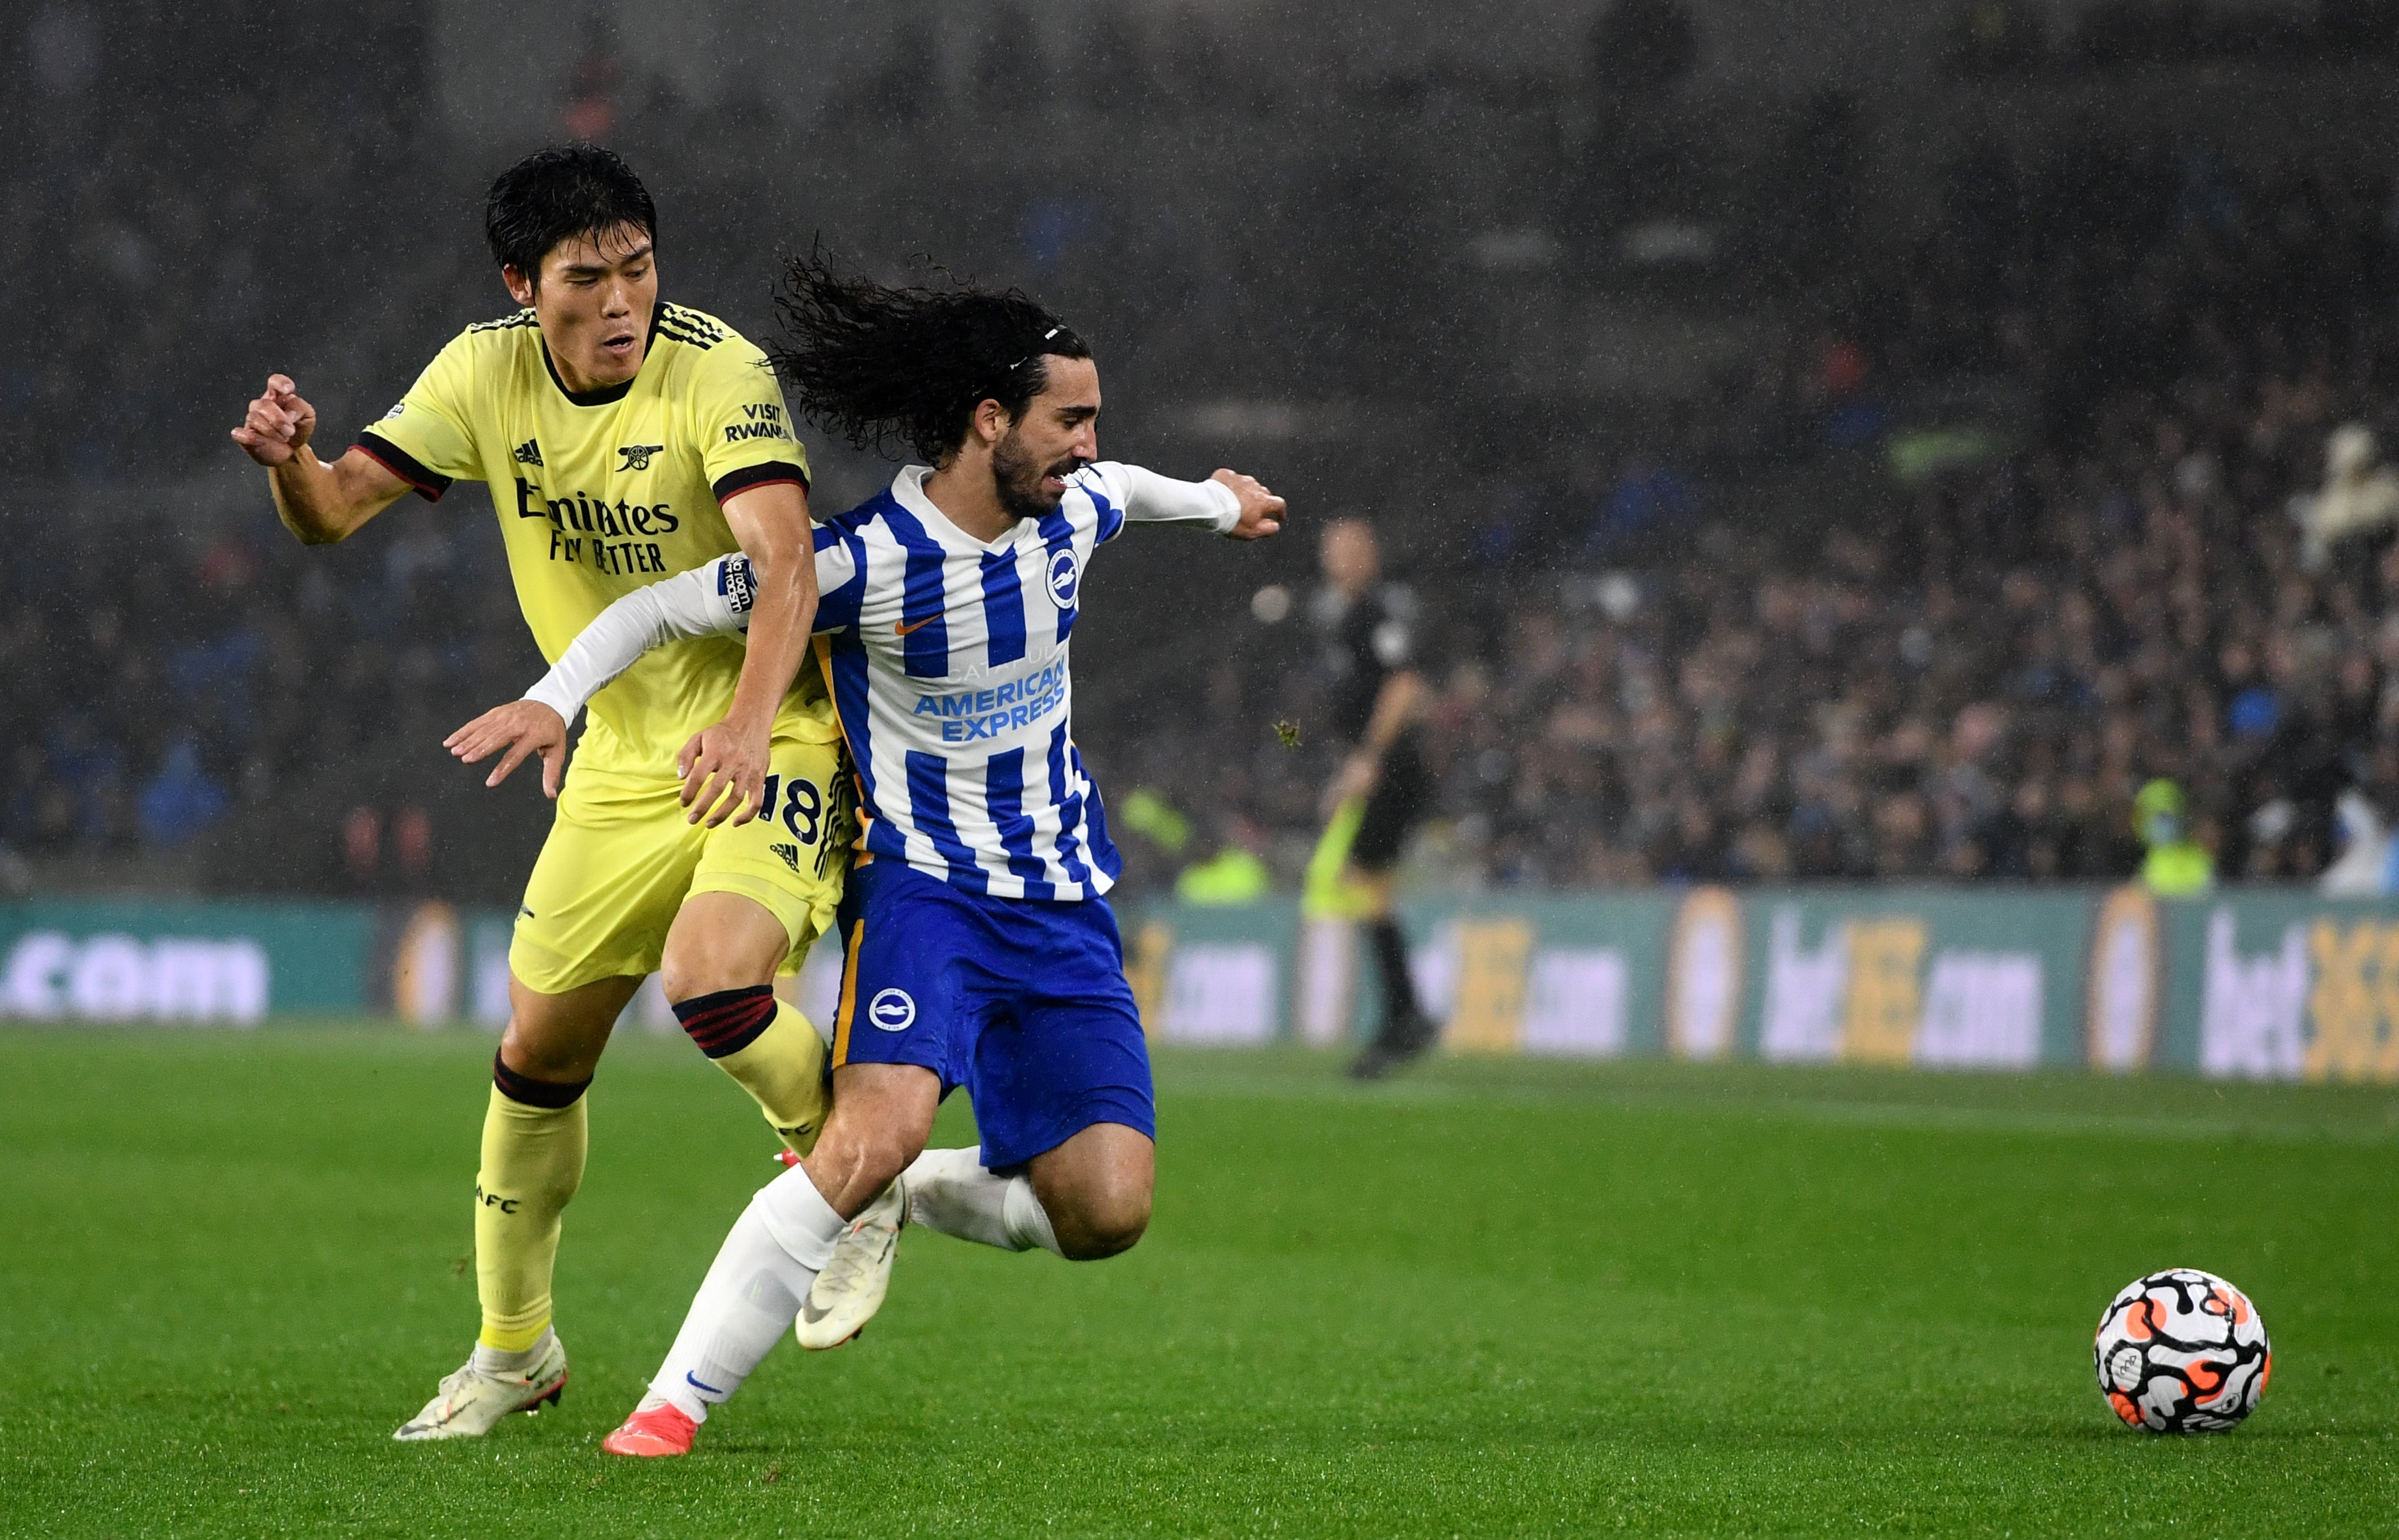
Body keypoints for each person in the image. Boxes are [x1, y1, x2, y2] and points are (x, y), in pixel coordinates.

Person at [471, 253, 1285, 1456]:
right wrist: (555, 697)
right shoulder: (857, 564)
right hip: (923, 896)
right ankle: (669, 1408)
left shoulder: (1075, 509)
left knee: (1106, 1211)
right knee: (866, 1134)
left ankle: (907, 1194)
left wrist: (1224, 502)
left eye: (1094, 420)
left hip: (1063, 902)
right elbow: (656, 608)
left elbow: (1137, 487)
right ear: (989, 421)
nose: (1090, 443)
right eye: (1070, 419)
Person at [230, 144, 847, 1442]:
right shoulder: (481, 371)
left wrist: (745, 725)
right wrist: (290, 464)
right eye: (586, 278)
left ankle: (849, 1182)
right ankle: (515, 1351)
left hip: (770, 729)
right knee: (535, 1056)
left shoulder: (715, 369)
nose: (622, 301)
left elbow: (785, 563)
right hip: (619, 762)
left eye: (639, 268)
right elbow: (334, 512)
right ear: (525, 285)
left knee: (715, 981)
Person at [1307, 518, 1439, 1079]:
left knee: (1360, 879)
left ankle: (1405, 1017)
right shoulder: (1346, 618)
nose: (1337, 560)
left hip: (1394, 767)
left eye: (1348, 549)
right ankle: (1404, 1017)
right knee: (1365, 883)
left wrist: (1368, 757)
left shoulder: (1376, 612)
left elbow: (1404, 684)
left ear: (1370, 555)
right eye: (1331, 550)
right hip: (1380, 765)